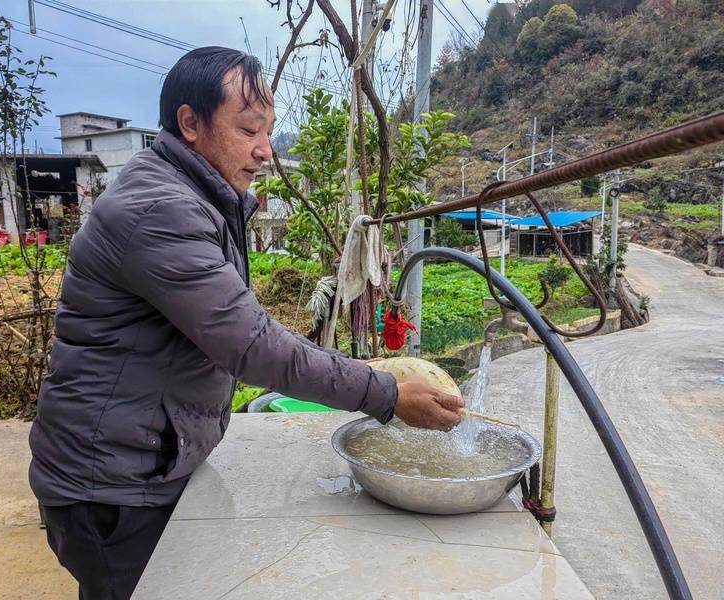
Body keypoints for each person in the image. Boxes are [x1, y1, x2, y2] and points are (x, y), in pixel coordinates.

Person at [29, 46, 464, 600]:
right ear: (190, 122)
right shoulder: (159, 211)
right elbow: (252, 345)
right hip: (111, 487)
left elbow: (233, 327)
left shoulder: (197, 196)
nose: (264, 151)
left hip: (145, 461)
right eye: (248, 130)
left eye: (269, 131)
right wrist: (383, 391)